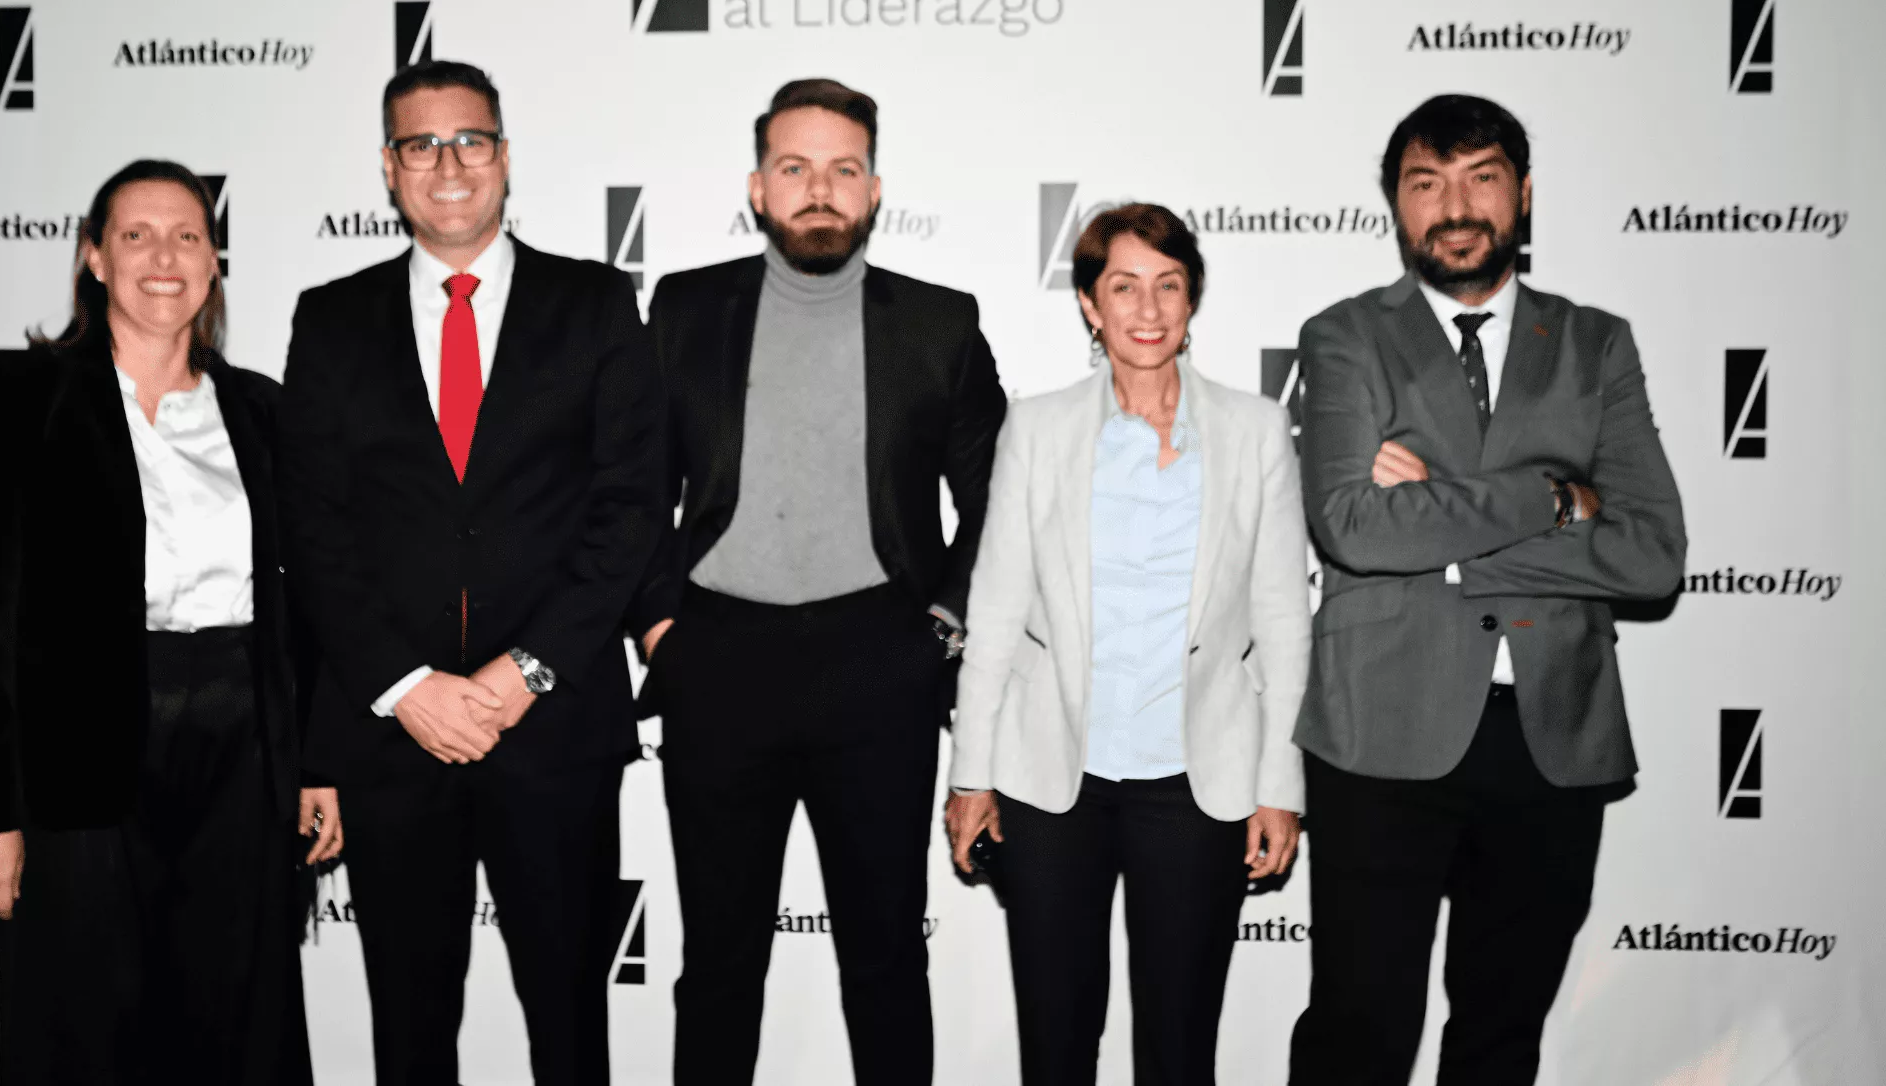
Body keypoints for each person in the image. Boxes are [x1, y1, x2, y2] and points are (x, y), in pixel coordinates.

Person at [277, 59, 666, 1086]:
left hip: (554, 726)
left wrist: (522, 672)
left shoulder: (593, 303)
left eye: (470, 140)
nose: (448, 164)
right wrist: (406, 688)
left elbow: (630, 509)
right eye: (422, 144)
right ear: (388, 168)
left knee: (572, 1026)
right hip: (394, 740)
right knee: (408, 1031)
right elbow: (312, 530)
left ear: (503, 156)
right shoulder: (330, 318)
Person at [1285, 94, 1687, 1086]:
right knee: (1356, 1032)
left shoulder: (1596, 344)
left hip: (1553, 737)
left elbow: (1651, 554)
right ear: (1396, 207)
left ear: (1524, 193)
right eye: (1427, 184)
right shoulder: (1344, 336)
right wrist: (1555, 495)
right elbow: (1353, 526)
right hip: (1381, 729)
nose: (1454, 206)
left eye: (1481, 179)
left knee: (1503, 1037)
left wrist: (1454, 534)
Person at [630, 78, 1006, 1085]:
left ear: (875, 189)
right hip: (718, 661)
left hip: (879, 664)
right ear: (758, 188)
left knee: (885, 957)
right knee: (717, 963)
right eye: (795, 169)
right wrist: (664, 624)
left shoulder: (940, 323)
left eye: (843, 169)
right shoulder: (682, 308)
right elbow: (627, 489)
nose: (819, 190)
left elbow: (1003, 502)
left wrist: (939, 626)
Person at [0, 159, 338, 1086]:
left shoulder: (262, 411)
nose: (165, 257)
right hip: (78, 754)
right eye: (136, 235)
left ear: (214, 263)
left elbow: (304, 612)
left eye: (188, 235)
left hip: (245, 749)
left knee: (240, 1022)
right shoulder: (19, 397)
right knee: (83, 1022)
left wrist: (318, 767)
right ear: (95, 259)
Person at [944, 204, 1310, 1086]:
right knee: (1057, 1044)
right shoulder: (1036, 429)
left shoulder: (1257, 431)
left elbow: (1283, 623)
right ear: (1087, 304)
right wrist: (971, 778)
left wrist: (1279, 786)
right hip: (1050, 783)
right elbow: (993, 613)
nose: (1147, 310)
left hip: (1195, 783)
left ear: (1192, 302)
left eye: (1168, 286)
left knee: (1181, 1048)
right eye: (1123, 287)